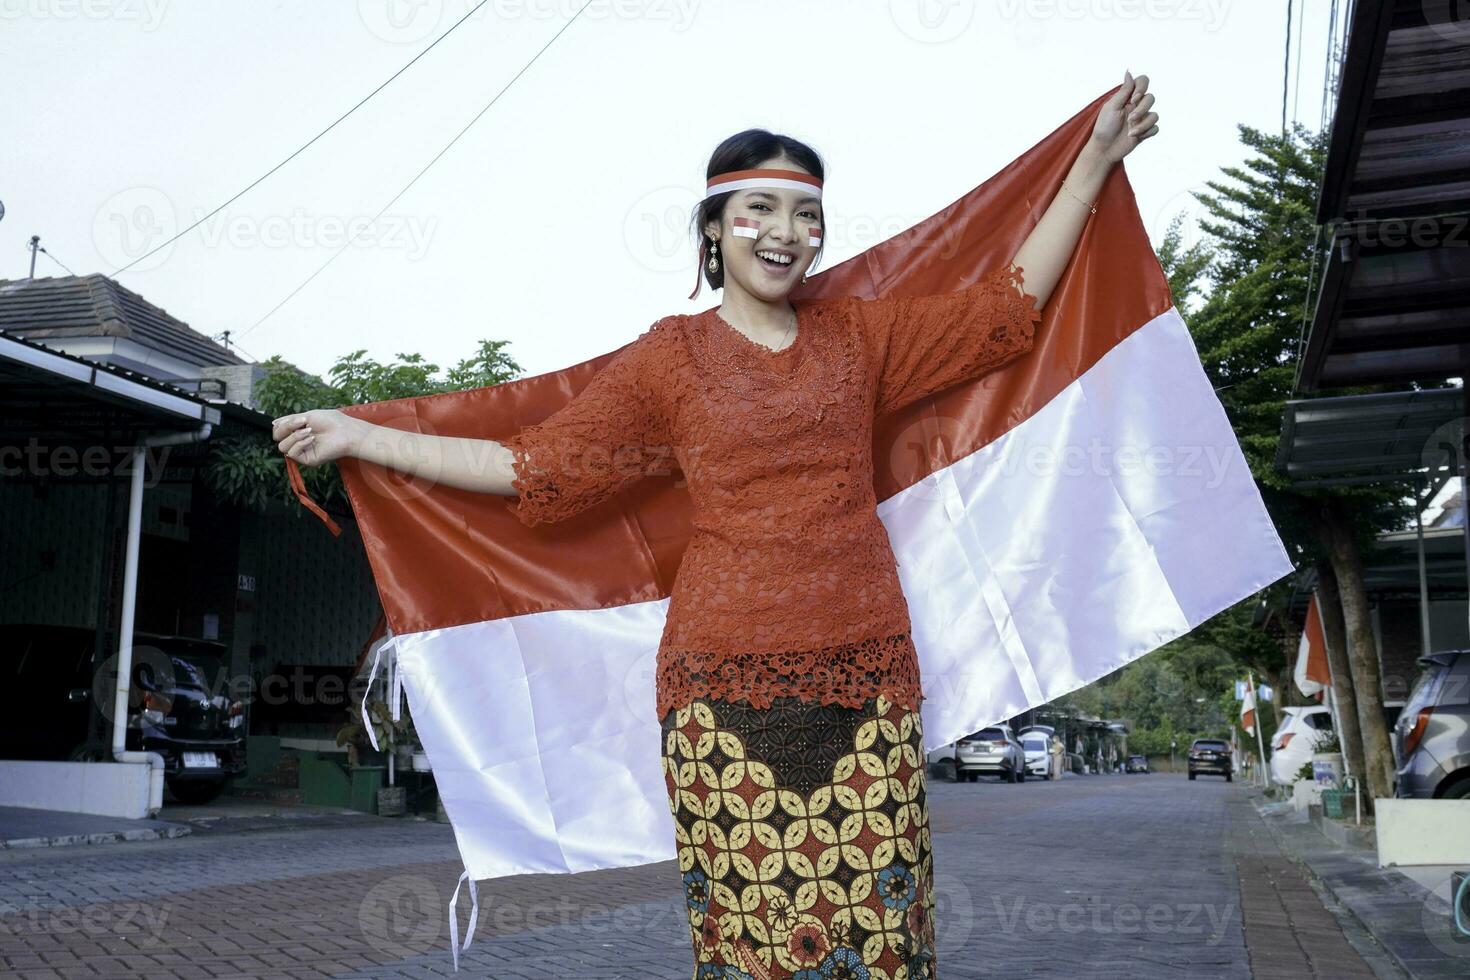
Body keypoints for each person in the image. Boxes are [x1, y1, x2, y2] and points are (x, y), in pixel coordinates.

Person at [272, 71, 1159, 979]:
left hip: (868, 675)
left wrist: (1093, 158)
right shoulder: (671, 360)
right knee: (751, 951)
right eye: (760, 209)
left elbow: (1004, 318)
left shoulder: (859, 340)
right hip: (718, 694)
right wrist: (362, 435)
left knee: (884, 943)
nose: (785, 232)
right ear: (712, 228)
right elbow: (532, 470)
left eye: (805, 214)